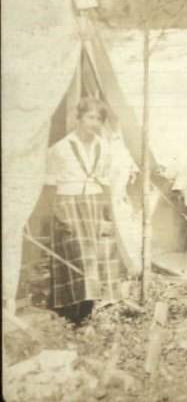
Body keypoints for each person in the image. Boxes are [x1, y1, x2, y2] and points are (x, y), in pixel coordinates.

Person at [45, 98, 124, 324]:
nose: (95, 123)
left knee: (99, 255)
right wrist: (59, 212)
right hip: (69, 203)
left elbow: (110, 177)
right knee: (78, 255)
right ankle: (72, 311)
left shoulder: (104, 147)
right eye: (90, 117)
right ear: (78, 119)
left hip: (95, 201)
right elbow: (50, 183)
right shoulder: (60, 149)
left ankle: (90, 309)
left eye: (99, 119)